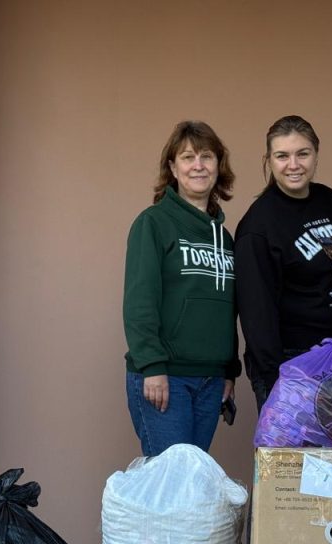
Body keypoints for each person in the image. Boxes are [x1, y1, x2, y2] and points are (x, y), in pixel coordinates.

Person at [122, 120, 241, 457]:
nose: (198, 165)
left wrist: (228, 371)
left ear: (219, 166)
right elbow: (140, 301)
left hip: (210, 382)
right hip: (166, 378)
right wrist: (152, 366)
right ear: (173, 168)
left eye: (207, 156)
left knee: (191, 490)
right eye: (188, 157)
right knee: (171, 488)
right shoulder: (153, 223)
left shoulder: (226, 238)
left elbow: (226, 308)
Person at [235, 115, 332, 410]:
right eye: (282, 156)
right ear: (269, 160)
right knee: (296, 457)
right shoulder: (259, 225)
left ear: (316, 154)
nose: (294, 164)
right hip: (293, 363)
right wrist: (278, 378)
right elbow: (256, 314)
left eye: (302, 153)